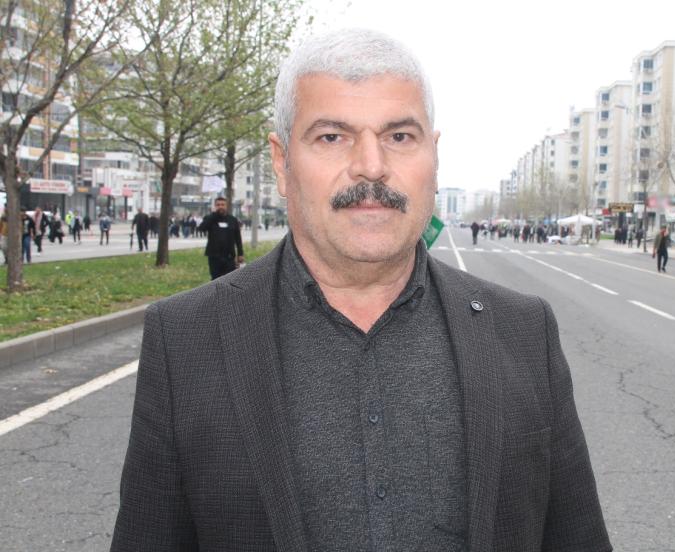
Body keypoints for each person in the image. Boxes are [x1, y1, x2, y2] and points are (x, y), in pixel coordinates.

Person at [111, 29, 611, 552]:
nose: (372, 166)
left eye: (400, 137)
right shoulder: (185, 338)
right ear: (281, 162)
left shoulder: (524, 331)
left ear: (434, 156)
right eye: (332, 137)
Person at [197, 196, 244, 280]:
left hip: (229, 256)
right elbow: (202, 228)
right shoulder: (210, 218)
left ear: (226, 206)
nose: (220, 207)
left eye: (222, 205)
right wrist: (214, 216)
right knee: (215, 279)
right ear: (215, 206)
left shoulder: (232, 220)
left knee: (229, 279)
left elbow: (238, 238)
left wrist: (240, 253)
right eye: (218, 205)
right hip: (214, 256)